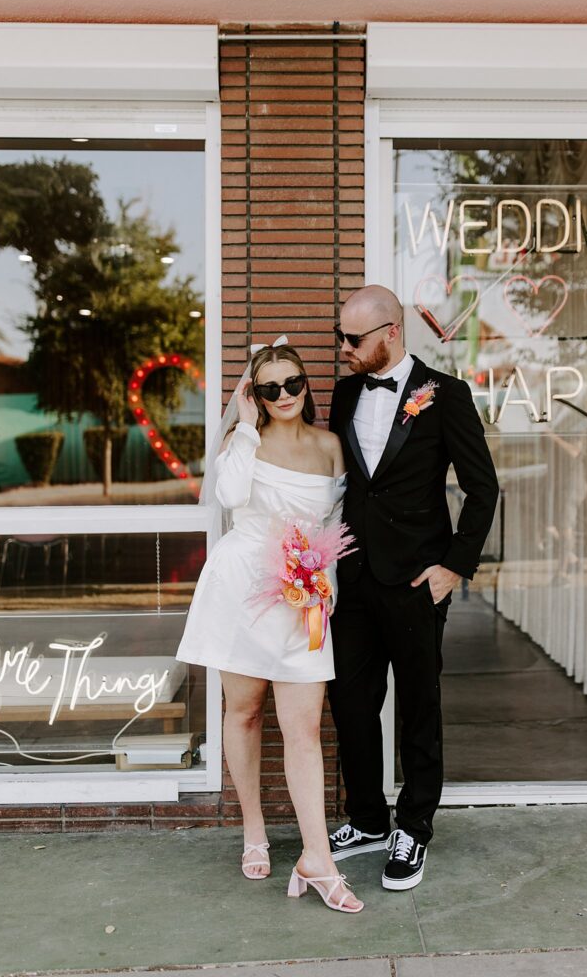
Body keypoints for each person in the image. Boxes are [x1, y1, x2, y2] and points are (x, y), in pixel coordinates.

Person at [175, 341, 363, 914]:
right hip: (244, 588)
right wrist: (248, 427)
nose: (284, 396)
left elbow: (333, 524)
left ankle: (316, 859)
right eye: (269, 389)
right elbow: (228, 497)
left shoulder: (330, 446)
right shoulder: (242, 443)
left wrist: (323, 588)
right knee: (245, 710)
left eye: (292, 384)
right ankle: (253, 829)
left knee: (304, 728)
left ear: (306, 385)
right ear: (254, 396)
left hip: (304, 597)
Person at [328, 285, 500, 891]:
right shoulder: (345, 393)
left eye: (354, 339)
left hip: (416, 581)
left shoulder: (446, 395)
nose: (345, 350)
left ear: (392, 333)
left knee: (419, 708)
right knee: (350, 704)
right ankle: (369, 819)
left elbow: (484, 489)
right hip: (352, 578)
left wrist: (454, 567)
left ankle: (414, 827)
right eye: (340, 337)